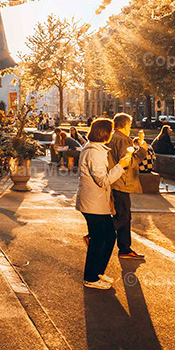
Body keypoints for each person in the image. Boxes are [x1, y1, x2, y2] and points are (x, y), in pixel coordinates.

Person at [76, 118, 133, 289]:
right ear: (105, 133)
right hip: (92, 203)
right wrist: (121, 166)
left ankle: (98, 272)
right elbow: (103, 180)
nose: (113, 132)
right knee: (99, 240)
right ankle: (91, 277)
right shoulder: (94, 152)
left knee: (108, 237)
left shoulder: (95, 149)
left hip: (95, 202)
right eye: (111, 130)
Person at [108, 113, 144, 261]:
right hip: (122, 181)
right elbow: (128, 162)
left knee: (124, 216)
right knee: (123, 217)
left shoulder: (113, 137)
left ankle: (125, 248)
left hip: (116, 180)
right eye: (130, 124)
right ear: (125, 124)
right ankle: (96, 234)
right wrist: (142, 149)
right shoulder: (123, 140)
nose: (131, 127)